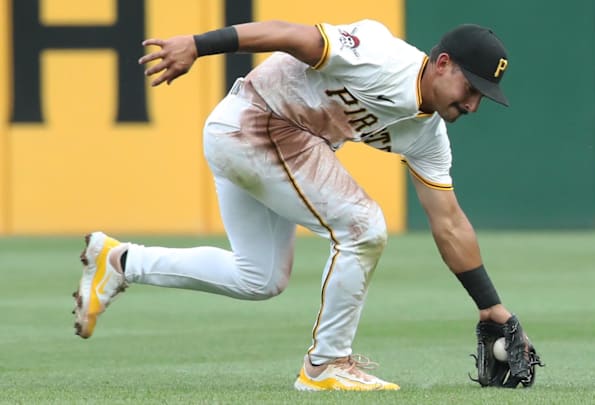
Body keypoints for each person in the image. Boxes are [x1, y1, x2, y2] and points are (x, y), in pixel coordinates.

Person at [71, 18, 538, 391]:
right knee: (364, 227)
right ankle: (326, 364)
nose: (473, 104)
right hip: (256, 123)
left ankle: (119, 261)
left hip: (257, 139)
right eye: (471, 87)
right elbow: (288, 34)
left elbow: (449, 222)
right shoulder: (382, 57)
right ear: (441, 64)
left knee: (260, 277)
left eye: (483, 96)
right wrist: (197, 44)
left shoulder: (427, 135)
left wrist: (490, 307)